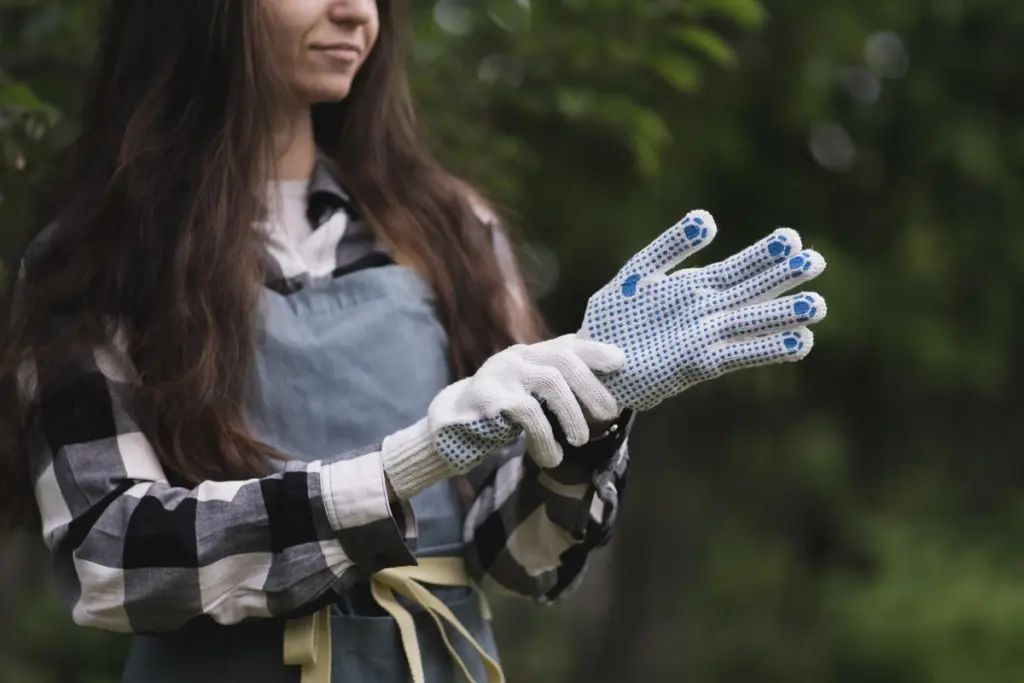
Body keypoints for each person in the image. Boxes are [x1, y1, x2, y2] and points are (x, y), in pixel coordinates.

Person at [0, 1, 828, 681]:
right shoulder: (97, 260)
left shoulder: (448, 230)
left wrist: (589, 420)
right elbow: (112, 558)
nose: (355, 11)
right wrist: (399, 468)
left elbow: (522, 562)